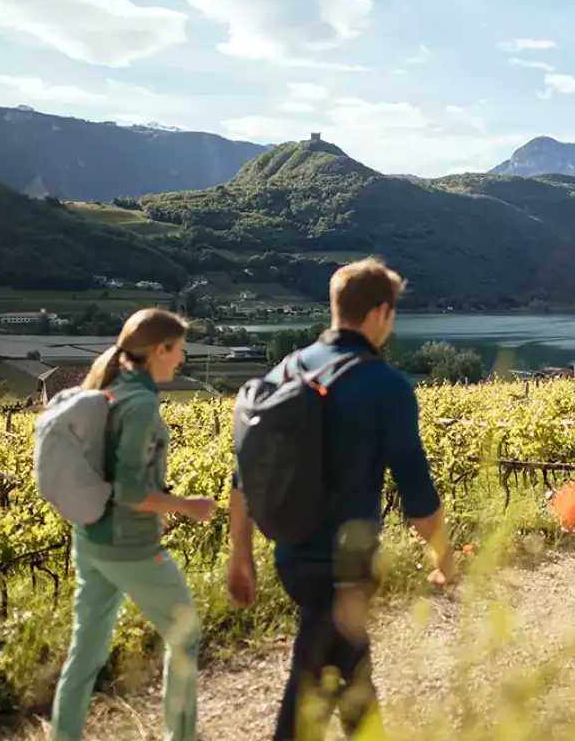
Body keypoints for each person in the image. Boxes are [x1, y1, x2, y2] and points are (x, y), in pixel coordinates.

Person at [226, 258, 453, 740]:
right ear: (380, 312)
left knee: (352, 680)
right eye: (392, 313)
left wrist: (240, 554)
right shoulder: (386, 386)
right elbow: (416, 491)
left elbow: (243, 476)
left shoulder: (285, 369)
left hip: (290, 557)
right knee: (306, 701)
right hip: (345, 569)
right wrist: (442, 553)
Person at [51, 309, 218, 741]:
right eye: (179, 350)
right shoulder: (141, 405)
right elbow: (128, 490)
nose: (182, 359)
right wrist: (187, 505)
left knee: (85, 651)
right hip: (130, 546)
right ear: (160, 350)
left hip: (89, 538)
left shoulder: (109, 389)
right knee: (185, 634)